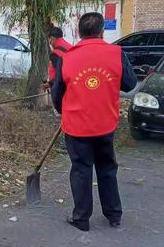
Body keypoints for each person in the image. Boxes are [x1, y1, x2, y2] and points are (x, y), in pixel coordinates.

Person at [52, 12, 137, 232]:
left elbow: (56, 94)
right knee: (107, 168)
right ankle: (114, 214)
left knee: (81, 170)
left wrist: (65, 111)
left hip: (77, 127)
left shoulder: (67, 57)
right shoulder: (116, 53)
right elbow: (129, 84)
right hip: (105, 124)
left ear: (79, 32)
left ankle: (81, 218)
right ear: (101, 31)